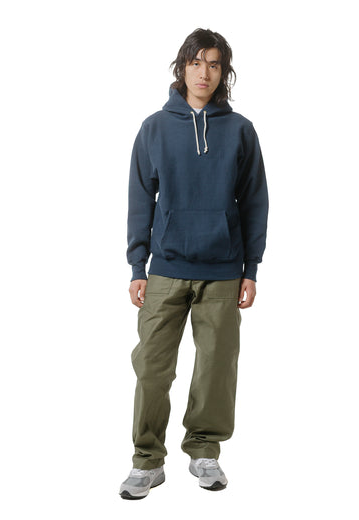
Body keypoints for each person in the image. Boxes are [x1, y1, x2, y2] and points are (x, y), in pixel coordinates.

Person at [119, 27, 269, 500]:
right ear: (182, 67)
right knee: (151, 367)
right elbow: (140, 199)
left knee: (216, 368)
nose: (205, 72)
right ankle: (146, 460)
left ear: (224, 72)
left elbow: (255, 202)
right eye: (197, 62)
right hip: (165, 267)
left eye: (215, 64)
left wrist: (251, 268)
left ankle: (204, 450)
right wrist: (137, 266)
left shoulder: (240, 130)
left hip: (223, 270)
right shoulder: (154, 128)